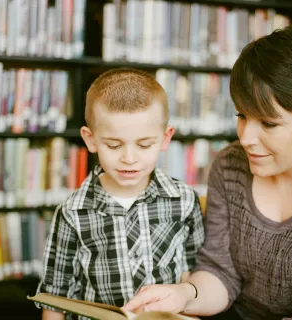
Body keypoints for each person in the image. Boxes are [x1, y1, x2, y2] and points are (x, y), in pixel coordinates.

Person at [122, 25, 292, 320]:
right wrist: (183, 295)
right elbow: (220, 273)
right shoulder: (230, 165)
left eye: (268, 124)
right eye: (241, 115)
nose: (245, 138)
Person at [35, 68, 205, 320]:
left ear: (165, 138)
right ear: (90, 139)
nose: (129, 158)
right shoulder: (72, 213)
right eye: (114, 145)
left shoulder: (184, 200)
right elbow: (55, 296)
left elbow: (192, 274)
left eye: (144, 144)